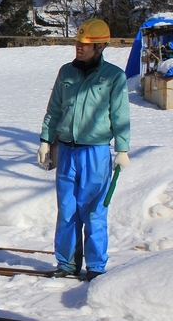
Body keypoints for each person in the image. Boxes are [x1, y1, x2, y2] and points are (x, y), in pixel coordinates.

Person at [37, 18, 131, 281]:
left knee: (94, 211)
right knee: (67, 210)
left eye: (86, 44)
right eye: (78, 42)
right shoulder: (66, 72)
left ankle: (97, 268)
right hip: (66, 151)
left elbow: (121, 116)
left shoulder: (113, 77)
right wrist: (46, 140)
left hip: (95, 152)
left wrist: (122, 149)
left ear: (100, 47)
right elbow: (54, 109)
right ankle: (66, 264)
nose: (79, 47)